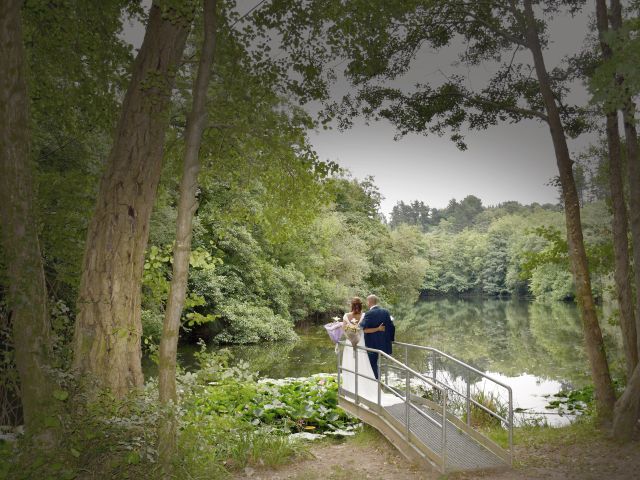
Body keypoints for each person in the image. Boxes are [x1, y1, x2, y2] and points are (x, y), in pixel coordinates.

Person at [340, 297, 384, 402]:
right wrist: (378, 329)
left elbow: (344, 330)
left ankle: (350, 390)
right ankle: (366, 388)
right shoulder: (364, 315)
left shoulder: (346, 316)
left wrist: (350, 336)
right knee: (363, 366)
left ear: (351, 305)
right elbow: (366, 330)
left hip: (350, 345)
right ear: (361, 305)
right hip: (361, 343)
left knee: (350, 366)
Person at [360, 294, 395, 379]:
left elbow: (362, 328)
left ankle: (376, 383)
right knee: (375, 364)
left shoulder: (369, 313)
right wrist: (391, 339)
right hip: (383, 344)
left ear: (369, 302)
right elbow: (392, 327)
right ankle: (377, 382)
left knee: (372, 364)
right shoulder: (385, 311)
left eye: (367, 301)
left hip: (372, 345)